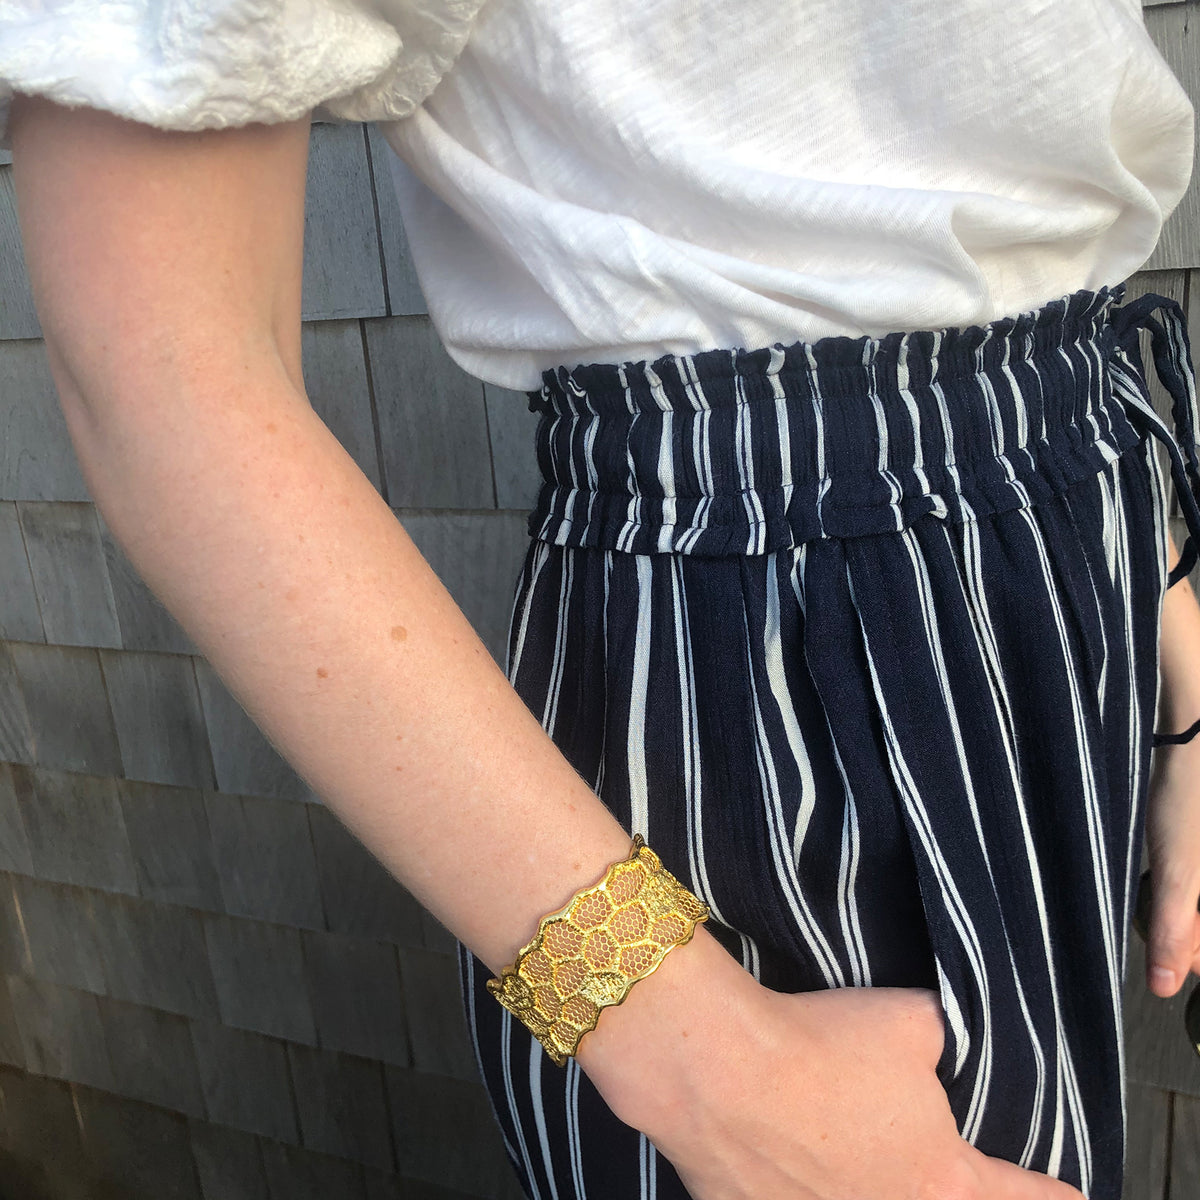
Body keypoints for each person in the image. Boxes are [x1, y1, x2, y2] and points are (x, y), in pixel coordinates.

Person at [2, 2, 1199, 1197]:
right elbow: (167, 368)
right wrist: (707, 1067)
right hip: (785, 628)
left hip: (1080, 531)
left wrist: (1162, 596)